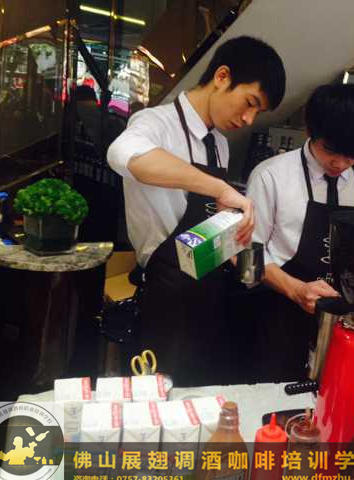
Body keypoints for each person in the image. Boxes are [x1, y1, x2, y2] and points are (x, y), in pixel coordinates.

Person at [107, 36, 286, 386]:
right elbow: (123, 153)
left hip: (210, 299)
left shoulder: (219, 144)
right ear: (222, 76)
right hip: (166, 301)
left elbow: (210, 229)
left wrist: (240, 245)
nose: (248, 119)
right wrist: (220, 188)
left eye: (258, 113)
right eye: (250, 103)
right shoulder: (155, 123)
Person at [245, 84, 354, 382]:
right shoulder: (271, 175)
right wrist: (296, 289)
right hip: (280, 315)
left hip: (346, 321)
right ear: (310, 130)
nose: (340, 164)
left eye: (352, 156)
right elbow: (247, 255)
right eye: (330, 151)